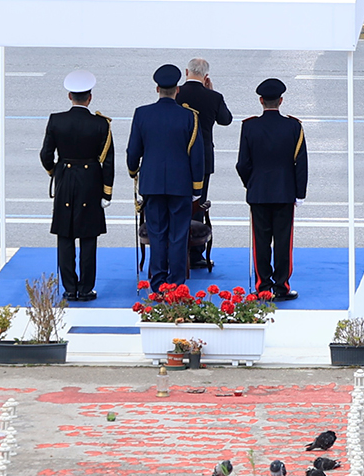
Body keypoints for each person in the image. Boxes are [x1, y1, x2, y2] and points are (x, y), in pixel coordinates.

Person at [126, 64, 205, 288]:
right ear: (177, 89)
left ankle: (158, 282)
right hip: (180, 186)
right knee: (178, 236)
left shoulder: (142, 113)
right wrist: (196, 189)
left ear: (157, 88)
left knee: (157, 234)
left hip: (151, 184)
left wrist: (134, 172)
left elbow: (133, 152)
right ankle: (177, 284)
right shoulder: (190, 117)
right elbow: (196, 156)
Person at [40, 70, 115, 302]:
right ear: (89, 98)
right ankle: (86, 289)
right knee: (88, 236)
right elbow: (109, 161)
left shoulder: (56, 120)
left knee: (65, 235)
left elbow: (45, 154)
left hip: (65, 179)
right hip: (91, 181)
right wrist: (107, 191)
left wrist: (56, 171)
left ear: (69, 96)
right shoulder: (101, 124)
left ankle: (69, 289)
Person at [236, 78, 308, 301]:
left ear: (261, 101)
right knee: (284, 241)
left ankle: (263, 286)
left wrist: (252, 182)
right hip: (285, 192)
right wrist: (300, 193)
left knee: (261, 241)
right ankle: (281, 286)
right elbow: (301, 163)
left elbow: (242, 164)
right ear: (281, 100)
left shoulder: (249, 126)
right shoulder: (294, 126)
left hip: (258, 192)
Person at [174, 57, 232, 224]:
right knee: (197, 204)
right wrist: (213, 93)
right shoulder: (213, 97)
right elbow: (225, 120)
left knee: (176, 203)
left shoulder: (175, 93)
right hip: (203, 158)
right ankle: (196, 245)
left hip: (178, 156)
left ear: (186, 72)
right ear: (206, 76)